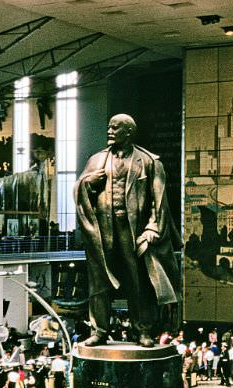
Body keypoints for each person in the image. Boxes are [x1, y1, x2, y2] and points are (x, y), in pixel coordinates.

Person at [74, 113, 181, 347]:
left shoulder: (150, 162)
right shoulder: (96, 160)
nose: (110, 131)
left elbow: (159, 201)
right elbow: (80, 188)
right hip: (102, 231)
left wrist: (152, 229)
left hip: (133, 232)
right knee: (99, 282)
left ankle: (142, 330)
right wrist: (88, 184)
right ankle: (99, 329)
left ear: (129, 132)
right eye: (109, 127)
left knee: (138, 282)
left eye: (115, 128)